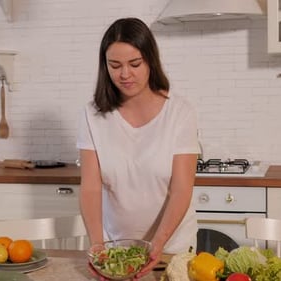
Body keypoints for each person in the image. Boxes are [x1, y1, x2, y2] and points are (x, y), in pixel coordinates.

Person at [76, 17, 199, 279]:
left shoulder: (180, 112)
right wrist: (97, 245)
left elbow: (181, 189)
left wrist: (158, 244)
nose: (125, 74)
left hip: (171, 249)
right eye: (115, 65)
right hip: (117, 249)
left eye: (134, 64)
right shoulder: (93, 115)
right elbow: (90, 187)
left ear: (150, 61)